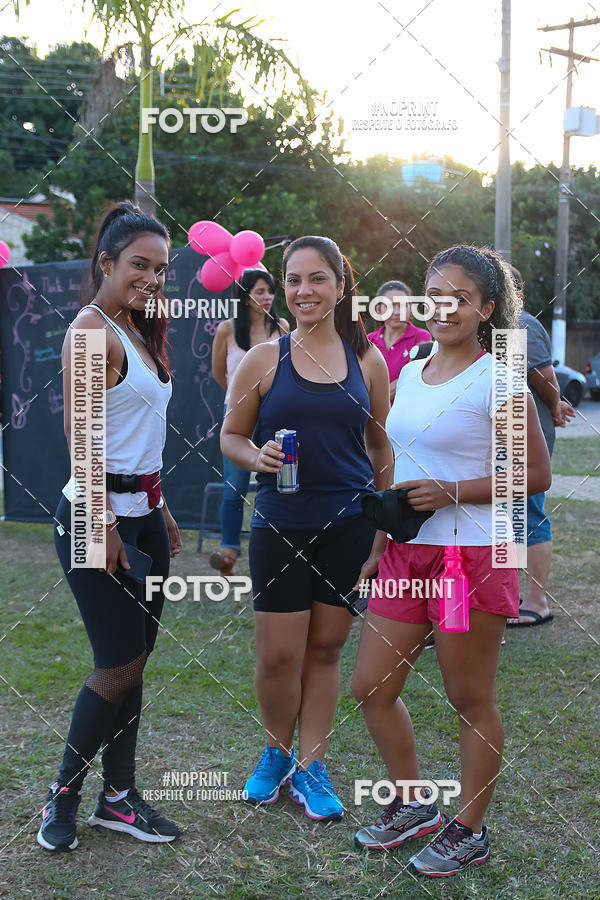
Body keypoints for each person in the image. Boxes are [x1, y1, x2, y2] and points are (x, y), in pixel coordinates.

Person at [351, 245, 551, 877]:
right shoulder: (411, 371)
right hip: (407, 553)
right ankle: (413, 803)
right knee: (372, 687)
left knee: (468, 697)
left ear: (486, 309)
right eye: (435, 295)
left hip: (470, 559)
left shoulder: (499, 379)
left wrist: (454, 492)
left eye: (459, 298)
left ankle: (469, 828)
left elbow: (536, 474)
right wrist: (381, 539)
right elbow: (396, 457)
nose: (443, 308)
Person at [220, 235, 393, 821]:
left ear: (341, 285)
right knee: (277, 656)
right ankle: (276, 752)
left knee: (324, 650)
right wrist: (257, 456)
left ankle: (312, 765)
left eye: (318, 278)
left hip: (347, 525)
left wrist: (381, 526)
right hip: (281, 524)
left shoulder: (367, 360)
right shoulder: (263, 358)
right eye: (293, 280)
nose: (303, 291)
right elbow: (230, 436)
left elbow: (379, 447)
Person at [38, 201, 182, 852]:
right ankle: (65, 794)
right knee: (117, 662)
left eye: (161, 269)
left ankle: (119, 798)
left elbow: (138, 437)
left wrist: (160, 509)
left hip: (144, 516)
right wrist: (104, 525)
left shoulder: (139, 330)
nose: (152, 279)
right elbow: (85, 439)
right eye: (139, 265)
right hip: (96, 518)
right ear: (106, 263)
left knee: (136, 662)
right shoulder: (91, 331)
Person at [507, 265, 575, 628]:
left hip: (522, 438)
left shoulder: (520, 323)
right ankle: (512, 596)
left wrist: (555, 404)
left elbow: (543, 377)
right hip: (499, 439)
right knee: (507, 519)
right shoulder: (490, 324)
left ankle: (537, 602)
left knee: (528, 515)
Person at [210, 268, 288, 576]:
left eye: (270, 291)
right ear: (244, 297)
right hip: (238, 415)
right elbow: (219, 373)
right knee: (235, 487)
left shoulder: (282, 327)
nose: (267, 297)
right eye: (259, 291)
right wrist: (239, 398)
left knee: (281, 480)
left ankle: (280, 545)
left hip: (275, 415)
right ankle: (228, 551)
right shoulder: (227, 329)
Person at [367, 280, 431, 403]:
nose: (397, 312)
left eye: (402, 306)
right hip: (370, 413)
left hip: (405, 410)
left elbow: (411, 378)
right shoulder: (369, 340)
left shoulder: (421, 337)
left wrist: (374, 401)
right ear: (378, 309)